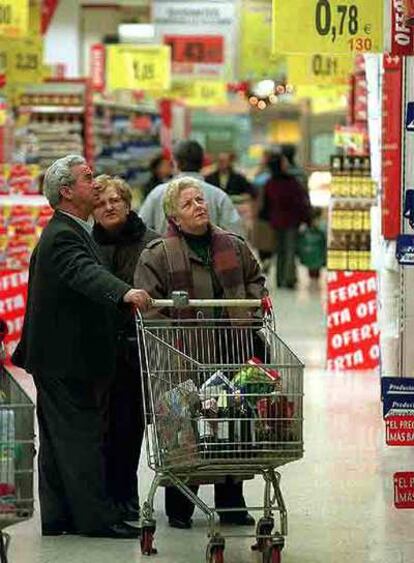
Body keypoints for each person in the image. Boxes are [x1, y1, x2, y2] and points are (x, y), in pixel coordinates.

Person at [11, 155, 152, 539]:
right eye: (87, 178)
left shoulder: (71, 229)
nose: (96, 183)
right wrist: (125, 292)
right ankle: (95, 520)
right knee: (82, 438)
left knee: (58, 443)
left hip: (56, 357)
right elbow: (83, 272)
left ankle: (59, 518)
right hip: (66, 358)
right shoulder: (64, 235)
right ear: (67, 191)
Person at [135, 176, 267, 529]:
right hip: (182, 357)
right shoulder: (158, 254)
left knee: (231, 422)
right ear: (174, 217)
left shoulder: (233, 246)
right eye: (189, 203)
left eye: (201, 200)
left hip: (230, 349)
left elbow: (255, 279)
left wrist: (249, 311)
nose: (200, 206)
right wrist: (172, 338)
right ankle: (179, 503)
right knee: (184, 427)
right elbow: (148, 304)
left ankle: (231, 500)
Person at [92, 174, 158, 522]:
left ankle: (126, 495)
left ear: (127, 203)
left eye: (115, 200)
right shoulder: (86, 244)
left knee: (131, 425)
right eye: (101, 203)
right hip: (99, 347)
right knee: (102, 425)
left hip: (138, 349)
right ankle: (106, 496)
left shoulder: (152, 242)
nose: (108, 206)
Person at [138, 140, 244, 236]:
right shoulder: (218, 196)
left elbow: (141, 228)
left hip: (165, 255)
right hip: (209, 256)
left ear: (176, 162)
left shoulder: (158, 193)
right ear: (202, 162)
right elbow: (235, 234)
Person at [264, 154, 311, 289]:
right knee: (290, 250)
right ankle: (289, 279)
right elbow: (300, 202)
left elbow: (266, 204)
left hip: (275, 221)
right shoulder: (291, 182)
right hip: (291, 221)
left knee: (279, 251)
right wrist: (306, 218)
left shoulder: (270, 183)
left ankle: (279, 279)